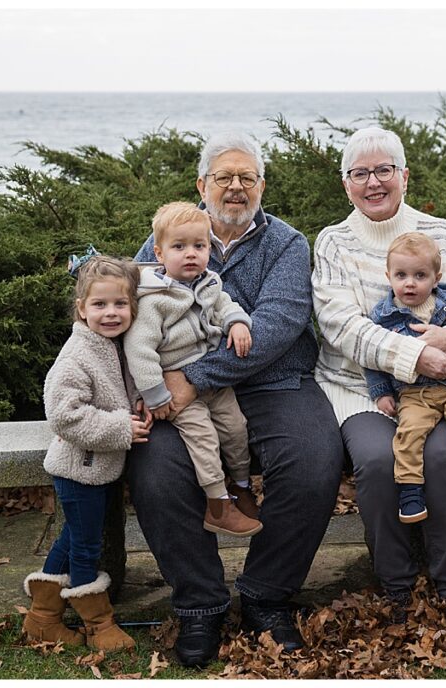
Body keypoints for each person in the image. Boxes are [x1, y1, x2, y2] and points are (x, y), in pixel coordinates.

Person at [127, 133, 345, 667]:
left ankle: (266, 596)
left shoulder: (288, 244)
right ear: (201, 185)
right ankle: (200, 604)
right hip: (180, 390)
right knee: (156, 470)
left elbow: (276, 326)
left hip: (273, 382)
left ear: (262, 186)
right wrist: (156, 387)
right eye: (223, 176)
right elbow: (124, 314)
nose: (235, 186)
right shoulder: (164, 241)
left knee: (314, 462)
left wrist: (196, 377)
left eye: (247, 177)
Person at [311, 126, 446, 631]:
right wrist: (415, 354)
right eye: (360, 173)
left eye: (383, 170)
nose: (373, 182)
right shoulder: (333, 243)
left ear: (404, 176)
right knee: (375, 459)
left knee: (441, 456)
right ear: (346, 184)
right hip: (361, 388)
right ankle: (398, 586)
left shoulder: (442, 234)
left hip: (445, 387)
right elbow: (342, 327)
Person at [22, 255, 149, 652]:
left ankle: (42, 619)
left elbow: (120, 388)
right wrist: (121, 428)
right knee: (86, 546)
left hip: (97, 468)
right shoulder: (77, 354)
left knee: (72, 536)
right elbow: (63, 414)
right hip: (80, 469)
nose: (111, 313)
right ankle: (98, 625)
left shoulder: (114, 345)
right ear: (82, 309)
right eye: (100, 305)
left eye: (120, 304)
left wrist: (141, 402)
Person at [125, 201, 261, 538]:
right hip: (175, 392)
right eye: (179, 247)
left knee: (236, 428)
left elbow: (225, 303)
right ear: (159, 252)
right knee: (203, 438)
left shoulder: (209, 282)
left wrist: (237, 323)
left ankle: (241, 485)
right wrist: (155, 395)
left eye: (199, 246)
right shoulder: (153, 299)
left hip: (213, 383)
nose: (191, 254)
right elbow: (139, 350)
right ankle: (218, 504)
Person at [363, 232, 446, 525]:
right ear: (389, 276)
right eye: (401, 275)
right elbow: (374, 357)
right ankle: (410, 492)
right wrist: (381, 391)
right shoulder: (383, 315)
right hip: (413, 394)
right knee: (408, 435)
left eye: (420, 275)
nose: (409, 283)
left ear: (436, 278)